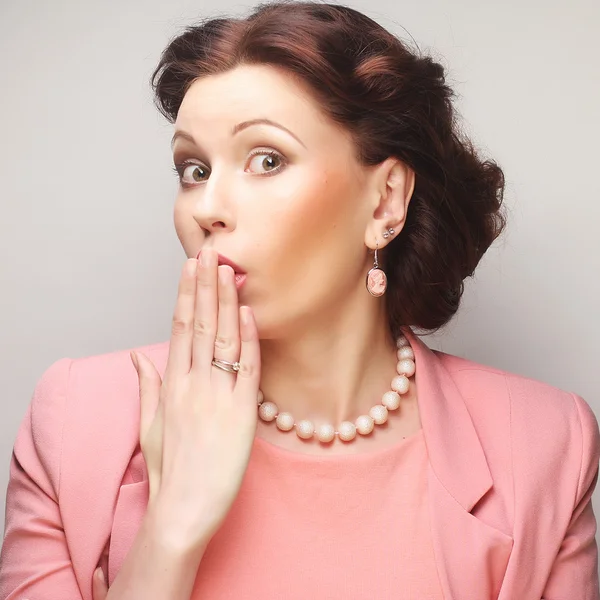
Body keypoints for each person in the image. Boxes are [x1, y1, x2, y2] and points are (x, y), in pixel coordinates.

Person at [1, 1, 599, 599]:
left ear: (386, 200)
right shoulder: (76, 423)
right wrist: (170, 531)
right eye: (193, 169)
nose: (206, 207)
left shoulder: (545, 446)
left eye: (267, 159)